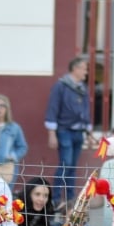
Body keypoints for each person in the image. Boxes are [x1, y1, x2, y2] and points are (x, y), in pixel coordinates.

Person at [45, 56, 94, 207]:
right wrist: (52, 133)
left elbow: (86, 109)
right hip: (64, 131)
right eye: (84, 68)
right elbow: (53, 108)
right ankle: (56, 199)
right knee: (65, 164)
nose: (86, 72)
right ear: (75, 69)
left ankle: (71, 199)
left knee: (73, 166)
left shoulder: (82, 88)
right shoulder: (61, 86)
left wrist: (89, 132)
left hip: (78, 132)